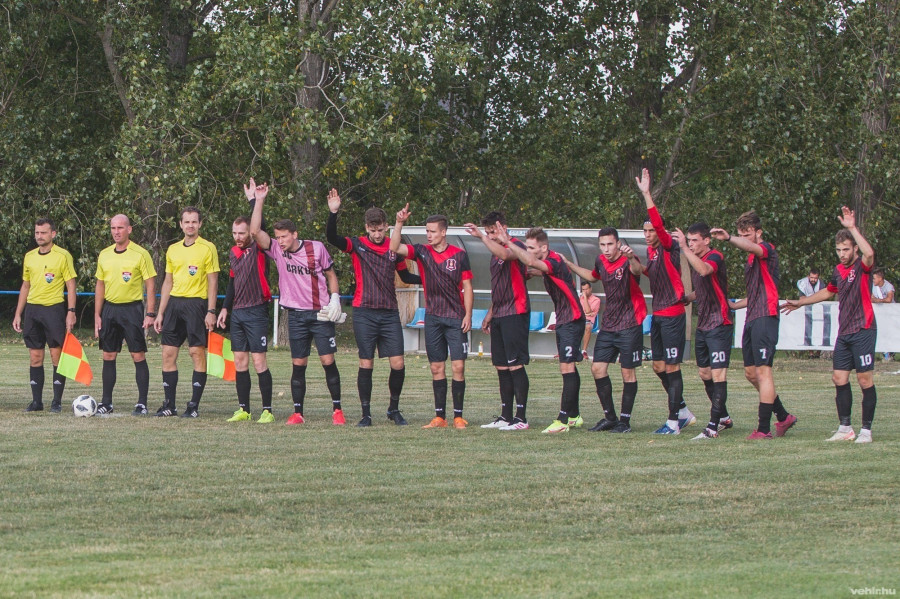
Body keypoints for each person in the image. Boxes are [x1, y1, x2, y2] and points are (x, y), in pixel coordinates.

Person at [326, 188, 422, 427]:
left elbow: (407, 277)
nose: (377, 234)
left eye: (381, 230)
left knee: (398, 363)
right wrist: (333, 213)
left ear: (387, 227)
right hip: (364, 312)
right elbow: (332, 238)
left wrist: (431, 279)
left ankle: (393, 408)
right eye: (373, 230)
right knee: (365, 362)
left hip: (389, 312)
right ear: (366, 228)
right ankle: (366, 414)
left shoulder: (394, 248)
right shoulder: (357, 245)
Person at [250, 188, 345, 426]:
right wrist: (258, 201)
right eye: (278, 237)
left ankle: (337, 410)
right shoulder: (276, 250)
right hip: (296, 316)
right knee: (298, 364)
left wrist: (335, 298)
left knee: (327, 361)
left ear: (295, 234)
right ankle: (298, 413)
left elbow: (331, 274)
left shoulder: (316, 248)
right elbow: (254, 231)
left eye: (284, 236)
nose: (280, 241)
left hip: (320, 314)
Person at [782, 207, 877, 443]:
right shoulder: (838, 270)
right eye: (839, 250)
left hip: (864, 329)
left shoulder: (862, 267)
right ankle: (846, 428)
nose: (842, 254)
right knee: (839, 378)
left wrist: (852, 228)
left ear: (854, 248)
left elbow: (870, 254)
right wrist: (801, 302)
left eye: (846, 249)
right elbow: (827, 291)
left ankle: (866, 430)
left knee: (864, 380)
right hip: (844, 332)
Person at [711, 211, 796, 439]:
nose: (744, 238)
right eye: (740, 234)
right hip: (751, 318)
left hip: (766, 317)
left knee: (763, 372)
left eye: (747, 234)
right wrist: (732, 305)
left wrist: (729, 238)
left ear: (758, 233)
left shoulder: (766, 249)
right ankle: (783, 415)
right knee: (751, 373)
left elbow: (752, 248)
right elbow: (754, 294)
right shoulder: (751, 259)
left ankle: (764, 429)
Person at [490, 227, 584, 433]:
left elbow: (533, 263)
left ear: (544, 247)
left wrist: (509, 242)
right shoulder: (549, 262)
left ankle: (562, 421)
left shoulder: (554, 261)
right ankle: (575, 416)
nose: (528, 250)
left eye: (531, 247)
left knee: (567, 369)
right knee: (570, 368)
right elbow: (534, 269)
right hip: (564, 320)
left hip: (573, 318)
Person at [390, 204, 474, 429]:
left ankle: (458, 416)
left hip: (455, 318)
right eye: (427, 231)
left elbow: (467, 285)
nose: (429, 235)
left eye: (433, 231)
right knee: (437, 368)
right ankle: (440, 417)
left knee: (458, 367)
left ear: (443, 232)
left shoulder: (459, 255)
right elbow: (394, 246)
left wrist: (468, 314)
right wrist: (399, 223)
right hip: (433, 319)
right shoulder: (421, 251)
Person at [565, 228, 646, 434]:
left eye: (610, 244)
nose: (607, 249)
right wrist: (568, 264)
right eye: (603, 245)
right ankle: (610, 417)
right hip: (609, 325)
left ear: (618, 243)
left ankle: (624, 422)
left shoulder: (629, 258)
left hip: (630, 323)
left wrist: (631, 258)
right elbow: (592, 277)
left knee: (627, 371)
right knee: (597, 369)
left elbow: (637, 271)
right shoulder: (601, 260)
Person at [635, 168, 696, 434]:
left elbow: (659, 224)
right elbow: (653, 275)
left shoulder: (668, 245)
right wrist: (635, 264)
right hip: (658, 314)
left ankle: (674, 420)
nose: (648, 234)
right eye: (645, 231)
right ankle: (681, 409)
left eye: (651, 230)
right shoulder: (651, 253)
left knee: (672, 365)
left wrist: (647, 194)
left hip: (672, 314)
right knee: (659, 365)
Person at [464, 212, 532, 431]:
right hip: (500, 313)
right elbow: (499, 287)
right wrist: (489, 314)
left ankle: (521, 418)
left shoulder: (516, 245)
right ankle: (505, 416)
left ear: (504, 227)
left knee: (515, 366)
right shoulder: (493, 255)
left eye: (493, 231)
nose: (491, 235)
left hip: (516, 311)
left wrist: (482, 238)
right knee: (502, 367)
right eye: (488, 232)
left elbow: (505, 253)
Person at [217, 180, 275, 424]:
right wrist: (224, 308)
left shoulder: (259, 248)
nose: (238, 237)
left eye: (242, 233)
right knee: (239, 361)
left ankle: (267, 410)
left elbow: (259, 228)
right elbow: (232, 283)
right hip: (238, 313)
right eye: (235, 233)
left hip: (257, 311)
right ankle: (244, 409)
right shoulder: (233, 252)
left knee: (258, 360)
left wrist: (255, 201)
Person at [153, 207, 219, 418]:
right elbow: (168, 281)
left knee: (196, 352)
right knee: (168, 353)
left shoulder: (208, 248)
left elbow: (213, 281)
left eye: (194, 222)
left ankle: (193, 406)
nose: (190, 225)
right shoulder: (172, 249)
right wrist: (160, 312)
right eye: (186, 222)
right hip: (174, 305)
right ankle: (169, 405)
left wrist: (211, 310)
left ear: (200, 224)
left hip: (196, 305)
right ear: (180, 224)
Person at [672, 223, 735, 440]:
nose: (690, 244)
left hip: (720, 324)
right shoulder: (695, 258)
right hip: (704, 324)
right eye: (688, 240)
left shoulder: (715, 256)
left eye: (694, 240)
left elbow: (704, 270)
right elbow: (703, 288)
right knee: (705, 373)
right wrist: (687, 298)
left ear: (707, 240)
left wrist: (684, 249)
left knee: (718, 375)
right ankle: (724, 417)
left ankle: (712, 427)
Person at [93, 215, 157, 416]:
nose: (116, 231)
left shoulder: (140, 254)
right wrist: (97, 314)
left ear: (129, 229)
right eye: (113, 227)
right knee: (108, 355)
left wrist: (150, 313)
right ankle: (106, 402)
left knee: (137, 355)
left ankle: (142, 403)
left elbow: (150, 284)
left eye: (120, 227)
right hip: (110, 310)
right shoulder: (104, 254)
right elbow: (100, 285)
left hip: (132, 309)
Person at [13, 218, 77, 413]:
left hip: (54, 310)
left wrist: (71, 312)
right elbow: (25, 285)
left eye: (43, 233)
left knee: (56, 355)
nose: (39, 236)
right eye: (37, 232)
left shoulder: (63, 255)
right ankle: (36, 402)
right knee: (35, 356)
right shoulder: (29, 256)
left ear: (53, 234)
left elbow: (71, 284)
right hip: (33, 311)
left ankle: (56, 402)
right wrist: (18, 313)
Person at [871, 268, 893, 360]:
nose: (873, 280)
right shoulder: (872, 286)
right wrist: (878, 301)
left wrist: (878, 300)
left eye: (874, 278)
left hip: (890, 314)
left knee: (889, 333)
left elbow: (889, 299)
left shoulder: (888, 286)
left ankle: (889, 353)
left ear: (880, 278)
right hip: (878, 314)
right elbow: (870, 298)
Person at [579, 282, 601, 360]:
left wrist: (584, 298)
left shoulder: (596, 300)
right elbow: (577, 311)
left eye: (586, 289)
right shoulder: (578, 298)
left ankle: (584, 351)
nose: (584, 291)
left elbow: (588, 311)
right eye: (583, 290)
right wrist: (587, 313)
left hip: (589, 321)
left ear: (590, 289)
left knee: (588, 327)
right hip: (579, 319)